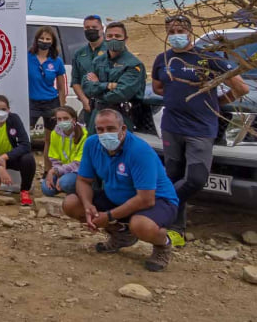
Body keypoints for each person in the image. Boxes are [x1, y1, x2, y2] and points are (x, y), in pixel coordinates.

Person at [151, 15, 248, 247]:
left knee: (195, 178)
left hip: (200, 129)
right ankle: (175, 231)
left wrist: (218, 101)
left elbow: (241, 87)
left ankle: (160, 207)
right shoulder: (162, 58)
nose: (176, 34)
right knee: (173, 176)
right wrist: (178, 98)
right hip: (171, 127)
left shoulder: (207, 57)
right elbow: (157, 86)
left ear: (190, 31)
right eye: (171, 30)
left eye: (180, 29)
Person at [63, 109, 179, 272]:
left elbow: (146, 199)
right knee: (72, 203)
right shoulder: (92, 144)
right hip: (117, 196)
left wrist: (108, 216)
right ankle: (121, 235)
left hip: (157, 200)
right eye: (100, 130)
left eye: (110, 129)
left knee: (140, 225)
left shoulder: (139, 151)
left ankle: (162, 244)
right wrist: (88, 205)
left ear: (123, 129)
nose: (105, 134)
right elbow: (83, 180)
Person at [81, 21, 145, 129]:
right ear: (105, 38)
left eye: (118, 36)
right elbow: (86, 86)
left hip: (120, 115)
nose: (113, 39)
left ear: (126, 39)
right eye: (110, 36)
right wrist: (108, 85)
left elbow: (120, 94)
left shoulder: (133, 64)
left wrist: (97, 87)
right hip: (97, 114)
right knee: (93, 144)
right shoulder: (98, 61)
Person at [27, 26, 67, 171]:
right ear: (36, 40)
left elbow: (62, 87)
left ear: (53, 41)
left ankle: (47, 172)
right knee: (24, 138)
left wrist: (62, 108)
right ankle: (25, 170)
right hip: (31, 102)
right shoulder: (28, 57)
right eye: (42, 38)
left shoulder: (57, 61)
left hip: (51, 103)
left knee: (49, 140)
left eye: (48, 39)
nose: (44, 41)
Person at [41, 106, 87, 197]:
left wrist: (56, 171)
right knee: (46, 189)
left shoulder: (84, 134)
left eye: (66, 118)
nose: (62, 122)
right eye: (59, 119)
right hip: (62, 171)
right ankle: (67, 186)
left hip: (78, 172)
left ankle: (76, 190)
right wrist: (57, 174)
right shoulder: (54, 134)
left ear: (73, 120)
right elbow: (54, 159)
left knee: (65, 183)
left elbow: (78, 164)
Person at [71, 14, 106, 124]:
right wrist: (84, 100)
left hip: (108, 104)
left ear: (102, 28)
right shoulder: (79, 53)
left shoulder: (111, 50)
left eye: (94, 28)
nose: (90, 30)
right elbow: (75, 81)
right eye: (87, 28)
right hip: (88, 106)